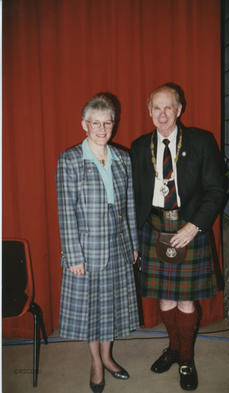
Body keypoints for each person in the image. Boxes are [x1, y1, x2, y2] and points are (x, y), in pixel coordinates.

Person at [130, 83, 225, 391]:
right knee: (165, 297)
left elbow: (217, 189)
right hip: (155, 229)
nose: (162, 114)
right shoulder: (139, 146)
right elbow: (134, 195)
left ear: (179, 109)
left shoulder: (200, 141)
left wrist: (194, 226)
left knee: (185, 299)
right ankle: (173, 348)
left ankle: (186, 358)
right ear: (149, 112)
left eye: (168, 107)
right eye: (156, 107)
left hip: (188, 228)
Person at [57, 93, 139, 393]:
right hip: (87, 251)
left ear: (113, 125)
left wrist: (132, 245)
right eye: (95, 123)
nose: (102, 129)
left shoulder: (123, 159)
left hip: (117, 248)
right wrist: (73, 255)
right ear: (84, 125)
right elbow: (66, 211)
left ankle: (108, 357)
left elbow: (128, 206)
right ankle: (95, 362)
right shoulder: (69, 160)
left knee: (112, 309)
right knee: (92, 311)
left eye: (107, 123)